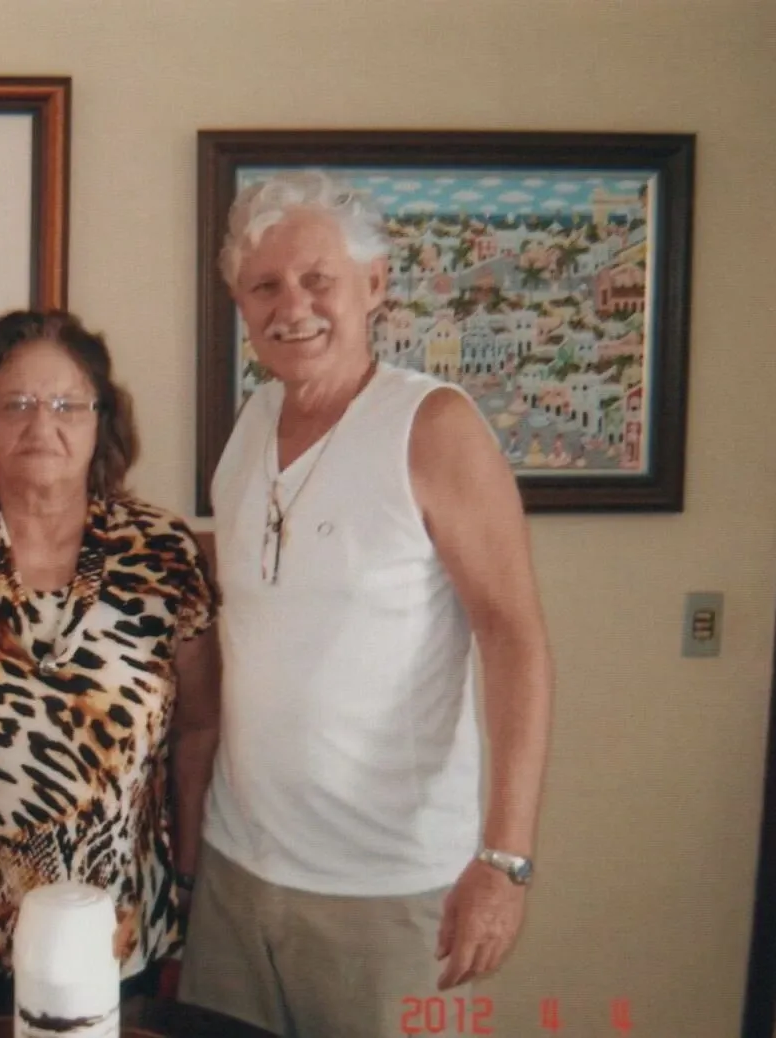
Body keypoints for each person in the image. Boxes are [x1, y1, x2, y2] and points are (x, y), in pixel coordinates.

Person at [178, 170, 555, 1037]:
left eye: (318, 280)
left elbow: (515, 637)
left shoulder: (434, 426)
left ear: (373, 286)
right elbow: (258, 574)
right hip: (240, 868)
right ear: (239, 304)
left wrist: (505, 860)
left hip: (386, 888)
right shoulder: (249, 425)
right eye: (263, 286)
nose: (292, 306)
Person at [0, 309, 221, 1015]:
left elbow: (200, 727)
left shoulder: (163, 553)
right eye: (15, 404)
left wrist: (188, 870)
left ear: (100, 421)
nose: (39, 424)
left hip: (114, 925)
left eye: (65, 404)